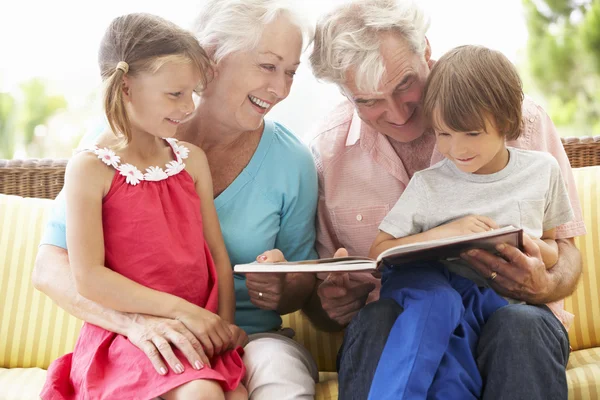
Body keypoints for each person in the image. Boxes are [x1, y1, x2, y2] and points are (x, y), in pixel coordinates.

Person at [33, 1, 320, 399]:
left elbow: (301, 285)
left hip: (246, 336)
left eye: (290, 72)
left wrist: (281, 286)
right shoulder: (112, 142)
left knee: (276, 380)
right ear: (213, 55)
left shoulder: (290, 160)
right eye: (268, 66)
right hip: (140, 330)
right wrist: (138, 323)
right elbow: (51, 267)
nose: (282, 89)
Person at [305, 1, 585, 399]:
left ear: (426, 50)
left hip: (513, 315)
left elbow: (566, 252)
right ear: (345, 93)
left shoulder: (518, 119)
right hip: (405, 317)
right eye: (368, 101)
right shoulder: (326, 156)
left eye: (404, 84)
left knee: (520, 325)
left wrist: (543, 283)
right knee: (379, 318)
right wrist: (330, 305)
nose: (398, 114)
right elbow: (322, 307)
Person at [40, 13, 247, 400]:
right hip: (130, 336)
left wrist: (224, 326)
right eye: (175, 94)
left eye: (192, 93)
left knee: (235, 395)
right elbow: (89, 278)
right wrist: (182, 312)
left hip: (196, 331)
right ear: (125, 87)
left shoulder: (190, 160)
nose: (188, 107)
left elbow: (217, 254)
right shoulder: (90, 168)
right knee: (201, 395)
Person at [367, 45, 574, 400]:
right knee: (439, 311)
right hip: (436, 293)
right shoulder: (429, 184)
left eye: (471, 134)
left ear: (507, 122)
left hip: (498, 302)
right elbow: (379, 252)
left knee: (473, 358)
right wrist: (447, 231)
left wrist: (526, 246)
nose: (456, 148)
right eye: (443, 134)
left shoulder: (542, 171)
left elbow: (555, 248)